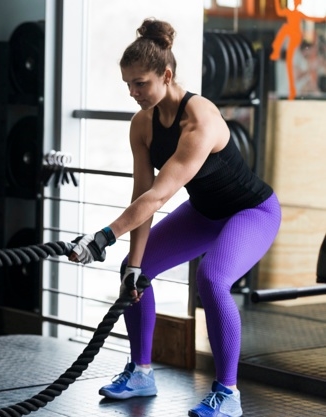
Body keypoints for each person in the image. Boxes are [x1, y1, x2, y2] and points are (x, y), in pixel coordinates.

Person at [69, 18, 281, 417]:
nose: (133, 93)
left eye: (140, 84)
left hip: (251, 212)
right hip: (203, 213)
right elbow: (141, 195)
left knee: (212, 278)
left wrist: (102, 236)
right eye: (128, 84)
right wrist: (132, 262)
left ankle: (228, 394)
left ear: (166, 75)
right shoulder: (142, 125)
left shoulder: (200, 119)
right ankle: (141, 373)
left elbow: (161, 194)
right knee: (138, 269)